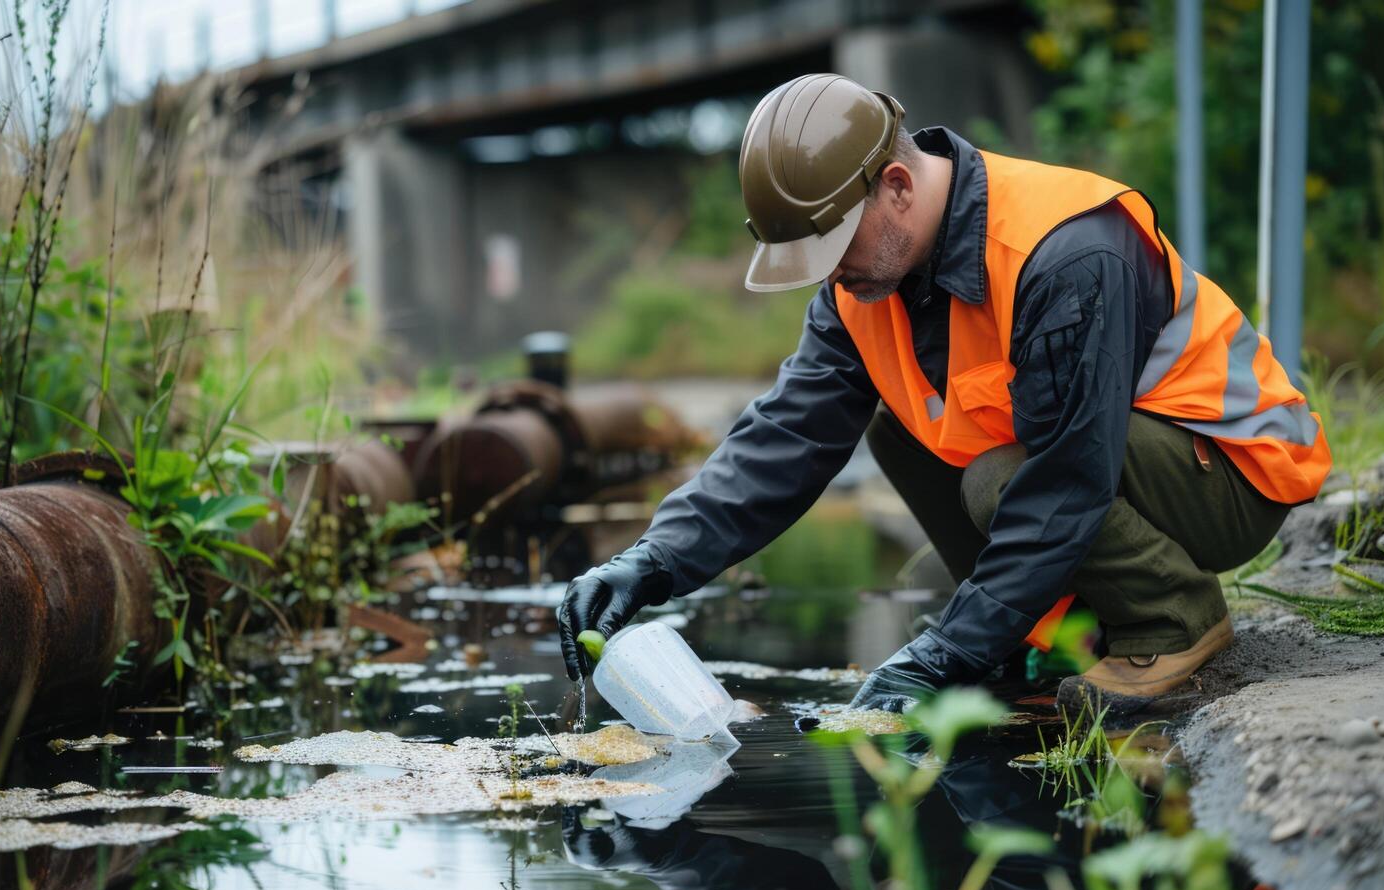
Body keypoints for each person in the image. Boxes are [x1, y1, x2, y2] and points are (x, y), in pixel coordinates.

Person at [558, 73, 1331, 715]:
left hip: (1229, 472)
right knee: (900, 433)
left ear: (897, 185)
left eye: (833, 249)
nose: (829, 276)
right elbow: (787, 436)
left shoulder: (1066, 253)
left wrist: (948, 649)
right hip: (1117, 468)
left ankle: (1173, 619)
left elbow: (1064, 477)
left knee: (1003, 489)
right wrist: (653, 561)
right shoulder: (862, 282)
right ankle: (1063, 630)